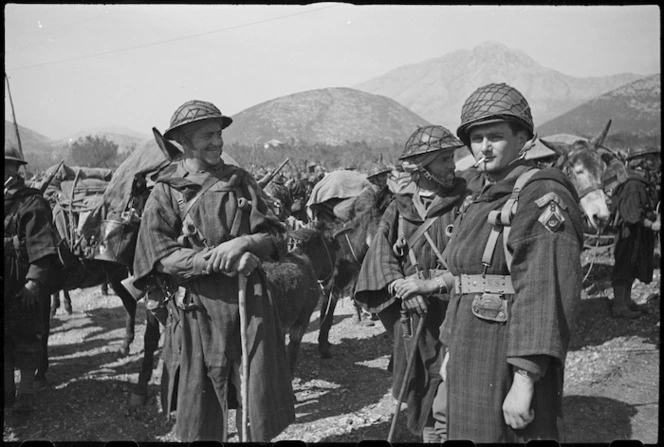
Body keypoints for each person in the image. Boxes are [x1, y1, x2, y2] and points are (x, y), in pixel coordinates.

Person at [131, 100, 295, 442]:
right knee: (202, 411)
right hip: (197, 311)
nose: (218, 142)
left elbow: (279, 238)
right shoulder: (165, 191)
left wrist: (245, 243)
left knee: (257, 402)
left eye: (219, 134)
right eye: (208, 135)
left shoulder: (240, 181)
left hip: (250, 306)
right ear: (184, 141)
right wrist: (216, 259)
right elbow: (158, 257)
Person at [438, 83, 585, 442]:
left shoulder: (541, 196)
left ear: (523, 139)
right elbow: (465, 280)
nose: (483, 147)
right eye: (476, 138)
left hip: (505, 354)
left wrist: (525, 378)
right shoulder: (482, 197)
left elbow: (543, 290)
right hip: (469, 349)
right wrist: (449, 348)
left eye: (495, 136)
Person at [354, 125, 480, 442]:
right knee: (420, 384)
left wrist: (430, 284)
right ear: (422, 168)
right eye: (443, 160)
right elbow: (380, 258)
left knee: (452, 387)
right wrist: (400, 287)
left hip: (457, 311)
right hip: (413, 319)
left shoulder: (468, 203)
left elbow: (477, 260)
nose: (452, 165)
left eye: (452, 157)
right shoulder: (399, 208)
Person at [4, 145, 59, 415]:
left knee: (25, 337)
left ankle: (25, 392)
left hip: (21, 281)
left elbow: (42, 246)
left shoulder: (31, 202)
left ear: (15, 169)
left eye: (6, 165)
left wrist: (33, 282)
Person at [609, 146, 661, 318]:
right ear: (641, 162)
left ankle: (627, 302)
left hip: (636, 233)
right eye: (651, 159)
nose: (656, 162)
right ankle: (619, 306)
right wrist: (651, 225)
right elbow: (631, 214)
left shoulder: (642, 182)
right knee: (624, 266)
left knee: (632, 266)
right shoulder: (633, 184)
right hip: (628, 234)